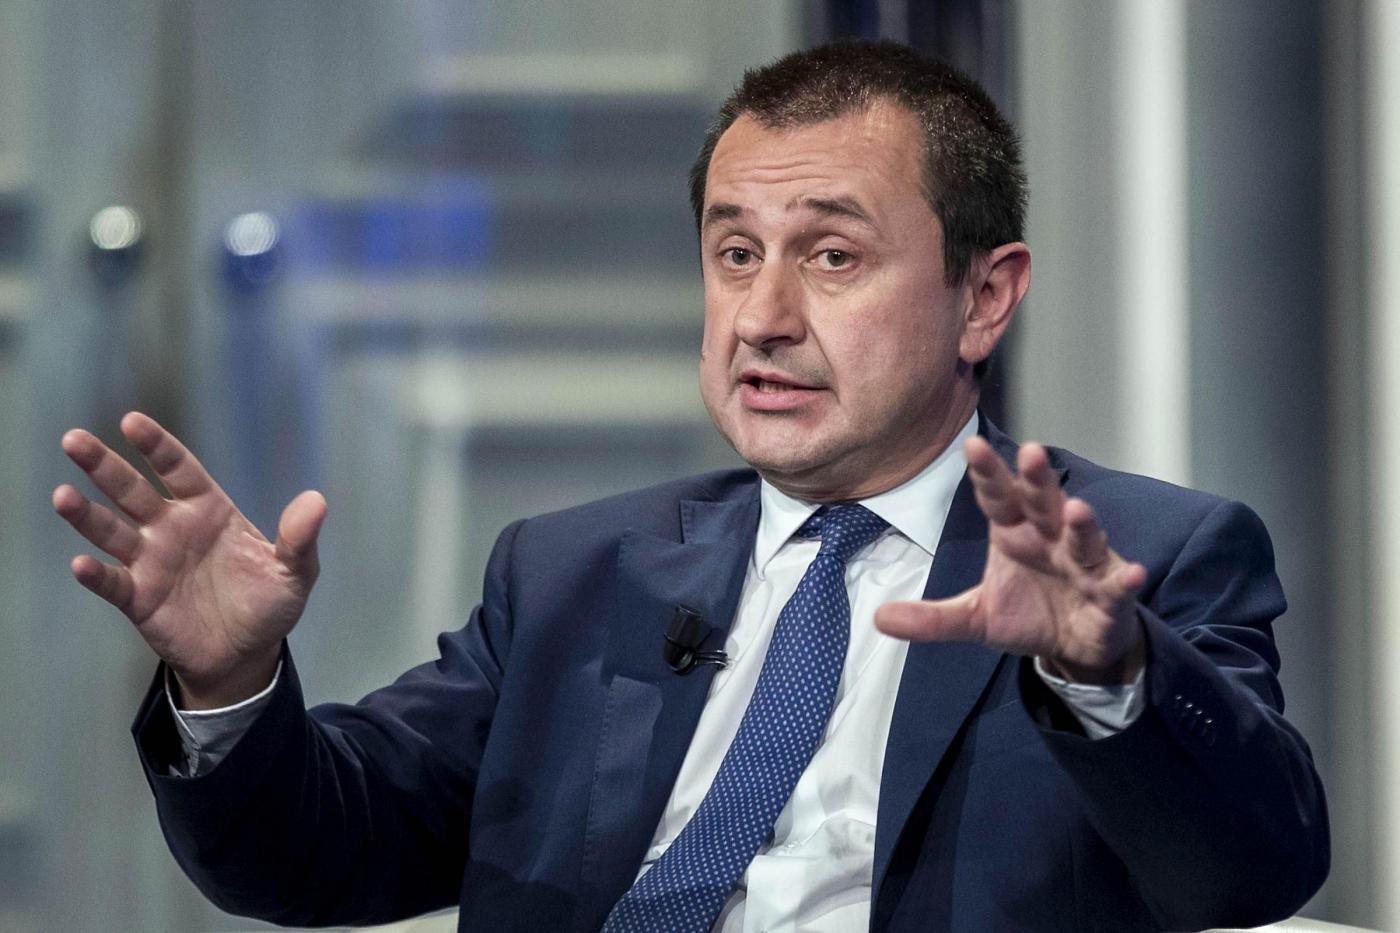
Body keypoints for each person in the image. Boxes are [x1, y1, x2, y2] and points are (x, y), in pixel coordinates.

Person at [54, 40, 1327, 932]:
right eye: (732, 253)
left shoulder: (1141, 564)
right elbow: (321, 855)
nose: (761, 317)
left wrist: (1104, 673)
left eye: (831, 256)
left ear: (983, 297)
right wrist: (231, 685)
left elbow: (1248, 875)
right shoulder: (573, 573)